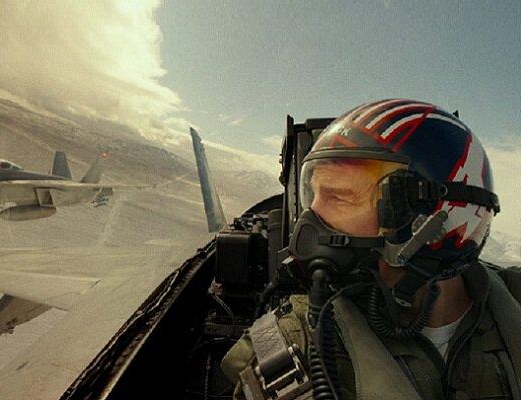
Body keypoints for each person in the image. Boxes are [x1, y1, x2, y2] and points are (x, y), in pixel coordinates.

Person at [221, 99, 521, 400]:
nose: (309, 224)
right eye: (314, 196)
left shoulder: (513, 302)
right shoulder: (294, 348)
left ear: (432, 221)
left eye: (340, 197)